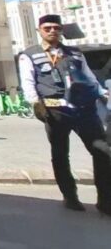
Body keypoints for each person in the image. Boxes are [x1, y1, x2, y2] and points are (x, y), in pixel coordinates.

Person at [19, 14, 111, 214]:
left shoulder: (75, 53)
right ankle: (70, 196)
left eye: (56, 28)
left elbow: (89, 77)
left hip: (84, 109)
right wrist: (35, 103)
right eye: (48, 28)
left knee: (102, 150)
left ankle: (105, 200)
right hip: (55, 110)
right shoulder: (29, 54)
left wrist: (103, 94)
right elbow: (28, 81)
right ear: (39, 30)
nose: (52, 31)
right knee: (60, 153)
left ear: (62, 31)